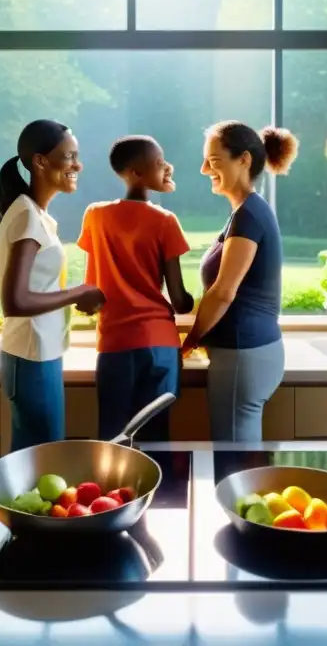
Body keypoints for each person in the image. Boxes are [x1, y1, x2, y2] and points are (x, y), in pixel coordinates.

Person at [182, 120, 299, 442]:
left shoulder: (249, 215)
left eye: (215, 160)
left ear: (244, 160)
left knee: (234, 459)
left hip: (243, 355)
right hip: (244, 354)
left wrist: (191, 337)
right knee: (235, 454)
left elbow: (222, 292)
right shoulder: (247, 212)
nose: (205, 169)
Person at [77, 135, 196, 442]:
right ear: (135, 172)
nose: (166, 167)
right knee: (158, 442)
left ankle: (114, 492)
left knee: (114, 440)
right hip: (160, 345)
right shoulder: (165, 221)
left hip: (115, 342)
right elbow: (180, 301)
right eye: (158, 163)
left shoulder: (95, 215)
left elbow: (92, 289)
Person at [0, 119, 105, 451]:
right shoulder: (28, 216)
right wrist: (80, 291)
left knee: (42, 461)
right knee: (40, 463)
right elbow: (14, 302)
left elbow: (35, 289)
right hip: (30, 357)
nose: (77, 164)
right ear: (40, 161)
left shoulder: (36, 214)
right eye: (69, 156)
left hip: (40, 353)